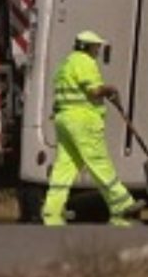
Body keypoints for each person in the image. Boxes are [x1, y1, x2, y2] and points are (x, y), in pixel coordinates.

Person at [41, 29, 139, 227]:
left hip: (64, 119)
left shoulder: (65, 64)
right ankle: (122, 203)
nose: (98, 50)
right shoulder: (85, 63)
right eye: (96, 47)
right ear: (87, 47)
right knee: (98, 161)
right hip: (83, 120)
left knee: (64, 166)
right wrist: (109, 89)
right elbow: (93, 90)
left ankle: (52, 208)